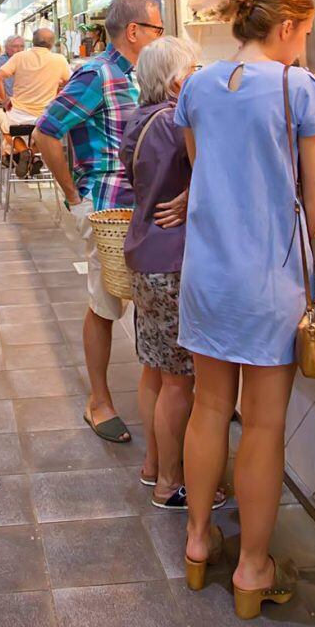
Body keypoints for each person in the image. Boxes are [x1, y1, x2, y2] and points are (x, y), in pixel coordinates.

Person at [176, 0, 315, 617]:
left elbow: (198, 164)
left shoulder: (197, 84)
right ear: (287, 27)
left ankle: (195, 542)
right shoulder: (300, 87)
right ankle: (252, 569)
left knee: (209, 408)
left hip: (206, 274)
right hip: (268, 279)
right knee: (263, 425)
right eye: (305, 34)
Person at [33, 0, 164, 445]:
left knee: (150, 299)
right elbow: (46, 132)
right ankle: (99, 401)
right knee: (104, 304)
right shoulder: (97, 75)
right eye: (157, 30)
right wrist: (75, 197)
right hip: (109, 208)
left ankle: (165, 393)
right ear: (134, 32)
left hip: (146, 207)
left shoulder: (146, 77)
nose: (160, 37)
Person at [121, 36, 204, 509]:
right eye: (194, 68)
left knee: (153, 369)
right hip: (173, 261)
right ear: (177, 81)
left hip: (144, 254)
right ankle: (171, 483)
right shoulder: (177, 123)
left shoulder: (140, 119)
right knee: (179, 380)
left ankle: (153, 464)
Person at [0, 29, 69, 166]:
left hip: (19, 115)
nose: (18, 49)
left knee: (8, 128)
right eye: (15, 46)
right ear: (52, 44)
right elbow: (70, 83)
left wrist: (5, 100)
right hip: (46, 117)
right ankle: (30, 157)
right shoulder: (60, 60)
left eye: (20, 46)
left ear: (32, 42)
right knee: (43, 134)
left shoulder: (19, 58)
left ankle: (21, 154)